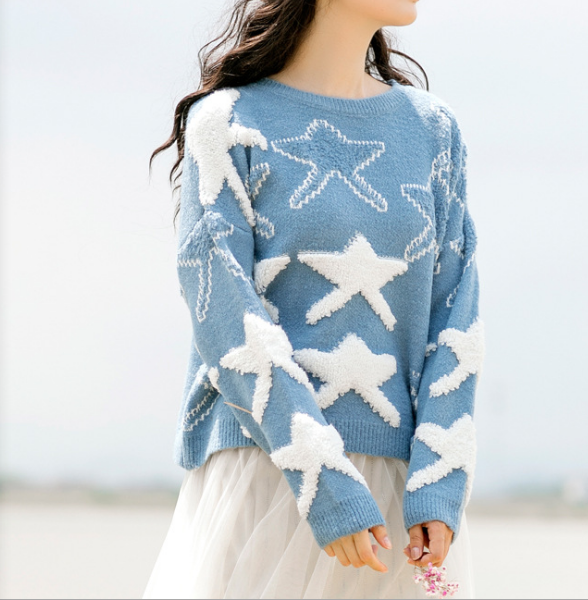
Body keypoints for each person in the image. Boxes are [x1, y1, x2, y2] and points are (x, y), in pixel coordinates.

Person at [143, 0, 484, 597]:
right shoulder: (225, 122)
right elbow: (222, 312)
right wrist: (322, 481)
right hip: (268, 480)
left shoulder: (433, 131)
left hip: (399, 506)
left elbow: (456, 314)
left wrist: (441, 482)